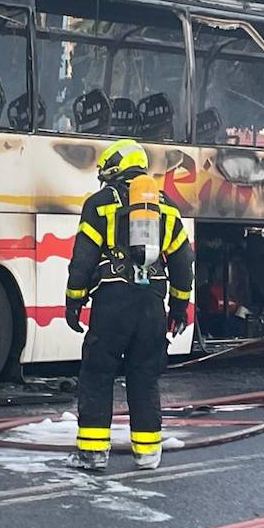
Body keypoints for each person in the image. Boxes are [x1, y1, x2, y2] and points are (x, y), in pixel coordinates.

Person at [65, 138, 194, 471]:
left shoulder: (99, 204)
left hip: (112, 303)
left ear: (115, 169)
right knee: (144, 376)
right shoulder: (166, 207)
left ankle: (93, 454)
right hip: (152, 305)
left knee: (97, 374)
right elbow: (182, 263)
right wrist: (179, 308)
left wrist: (73, 300)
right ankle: (148, 453)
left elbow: (83, 258)